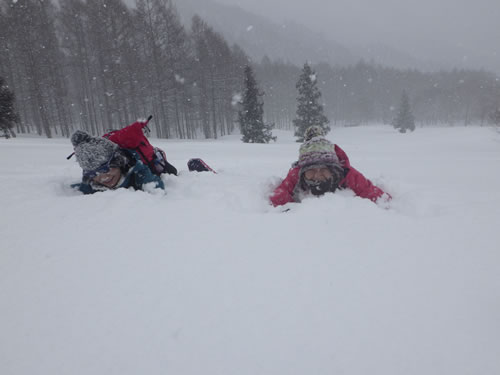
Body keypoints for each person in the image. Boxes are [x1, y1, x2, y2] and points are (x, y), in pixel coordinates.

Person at [270, 126, 390, 206]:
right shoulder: (297, 172)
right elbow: (279, 195)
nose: (317, 175)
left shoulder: (346, 173)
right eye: (311, 170)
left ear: (333, 169)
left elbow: (376, 196)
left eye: (323, 169)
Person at [70, 130, 165, 194]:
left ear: (118, 161)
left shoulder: (138, 173)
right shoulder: (90, 185)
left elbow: (156, 189)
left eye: (105, 169)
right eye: (92, 174)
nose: (103, 178)